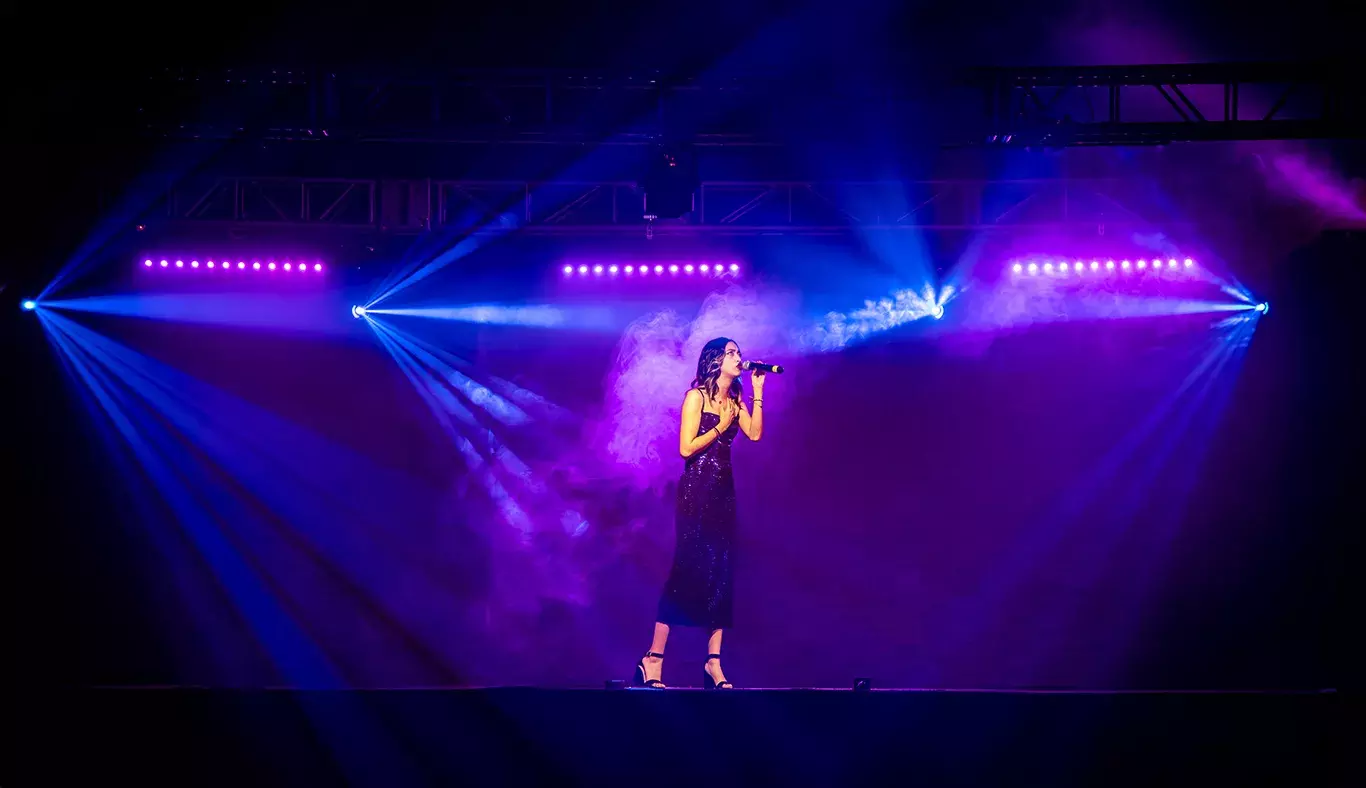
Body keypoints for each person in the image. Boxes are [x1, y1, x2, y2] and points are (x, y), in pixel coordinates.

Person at [634, 337, 767, 689]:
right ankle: (653, 659)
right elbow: (685, 447)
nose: (739, 357)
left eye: (739, 352)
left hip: (724, 491)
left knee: (722, 572)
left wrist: (756, 391)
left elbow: (754, 434)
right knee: (687, 569)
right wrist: (721, 427)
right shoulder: (696, 397)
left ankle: (713, 663)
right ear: (714, 361)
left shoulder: (736, 399)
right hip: (696, 491)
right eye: (732, 353)